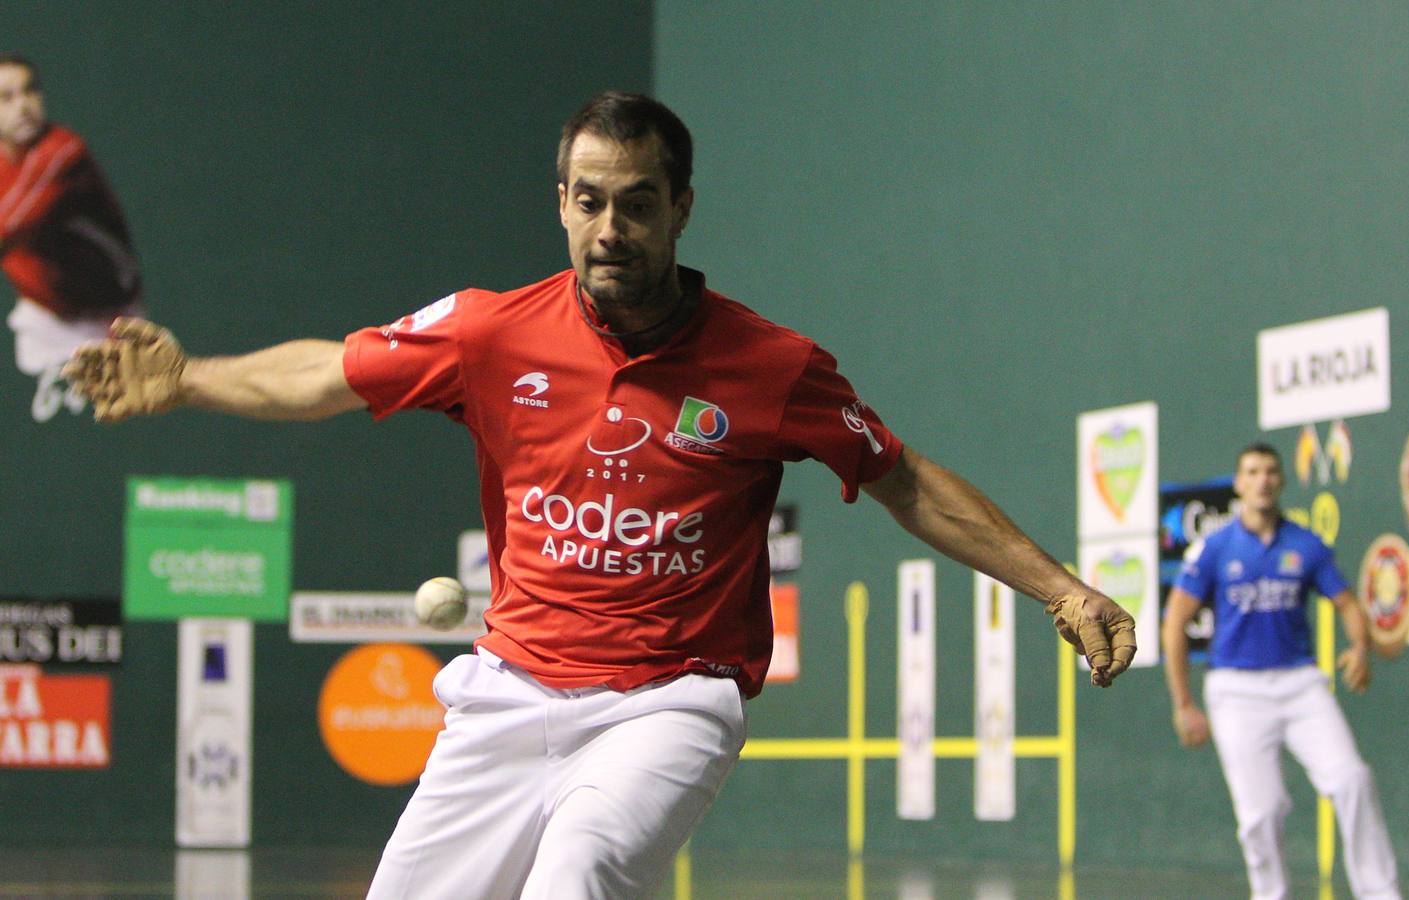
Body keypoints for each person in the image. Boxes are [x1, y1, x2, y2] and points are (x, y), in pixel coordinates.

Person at [65, 92, 1136, 899]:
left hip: (670, 704)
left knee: (573, 874)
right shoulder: (491, 333)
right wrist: (189, 377)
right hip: (508, 696)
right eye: (589, 204)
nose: (609, 230)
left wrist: (1060, 588)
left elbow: (905, 484)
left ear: (680, 209)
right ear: (562, 204)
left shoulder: (771, 367)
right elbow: (327, 377)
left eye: (635, 205)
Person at [1163, 443, 1399, 900]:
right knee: (1262, 811)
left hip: (1301, 685)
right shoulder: (1214, 549)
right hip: (1235, 691)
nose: (1263, 479)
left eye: (1271, 471)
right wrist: (1183, 703)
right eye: (1252, 471)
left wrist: (1360, 648)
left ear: (1281, 480)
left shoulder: (1306, 545)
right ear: (1239, 484)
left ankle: (1381, 893)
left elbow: (1348, 603)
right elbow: (1174, 622)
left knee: (1352, 779)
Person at [0, 53, 142, 423]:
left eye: (29, 91)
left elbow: (8, 226)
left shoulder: (61, 152)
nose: (24, 106)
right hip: (45, 315)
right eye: (6, 97)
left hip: (110, 317)